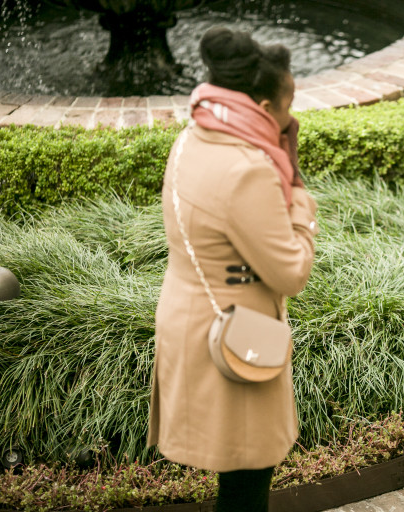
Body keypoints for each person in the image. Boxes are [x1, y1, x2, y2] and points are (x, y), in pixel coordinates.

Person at [147, 27, 319, 512]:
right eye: (288, 105)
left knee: (238, 477)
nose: (292, 116)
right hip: (235, 338)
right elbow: (292, 273)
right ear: (265, 109)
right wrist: (299, 188)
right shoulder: (248, 168)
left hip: (189, 316)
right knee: (247, 479)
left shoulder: (193, 137)